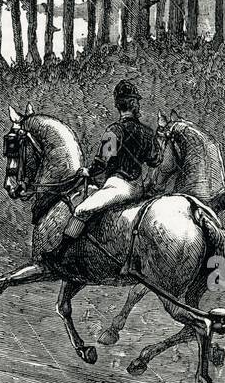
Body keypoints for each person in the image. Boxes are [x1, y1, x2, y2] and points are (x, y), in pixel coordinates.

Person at [54, 79, 163, 260]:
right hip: (139, 188)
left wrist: (88, 171)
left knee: (81, 211)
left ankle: (60, 254)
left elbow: (102, 162)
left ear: (118, 105)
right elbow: (155, 160)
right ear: (134, 104)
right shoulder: (147, 132)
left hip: (118, 187)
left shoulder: (114, 131)